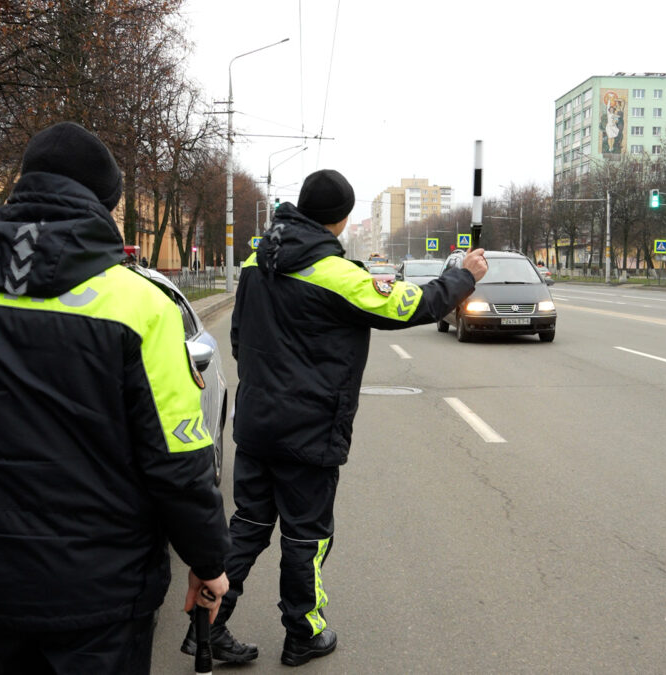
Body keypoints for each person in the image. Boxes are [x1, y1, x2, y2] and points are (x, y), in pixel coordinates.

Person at [0, 122, 230, 674]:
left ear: (22, 189)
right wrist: (208, 561)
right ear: (104, 206)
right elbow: (177, 461)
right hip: (103, 596)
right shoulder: (140, 307)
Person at [181, 169, 486, 667]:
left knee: (248, 525)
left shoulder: (258, 262)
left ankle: (206, 628)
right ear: (341, 219)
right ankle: (304, 632)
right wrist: (465, 275)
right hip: (309, 431)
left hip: (257, 423)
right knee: (306, 535)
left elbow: (238, 337)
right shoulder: (337, 274)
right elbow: (415, 305)